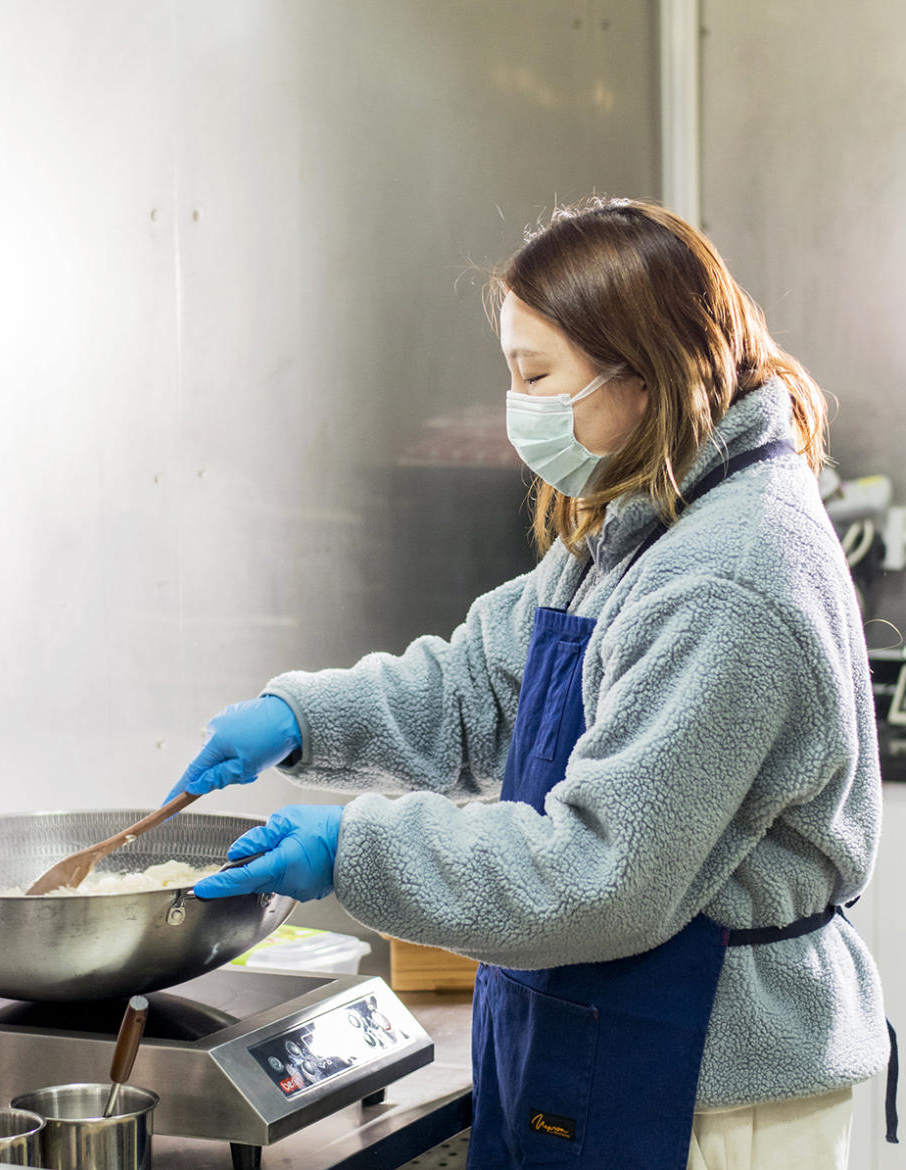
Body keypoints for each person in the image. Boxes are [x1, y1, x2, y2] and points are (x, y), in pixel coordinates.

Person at [167, 197, 893, 1170]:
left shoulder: (730, 573)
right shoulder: (640, 523)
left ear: (640, 372)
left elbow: (602, 873)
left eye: (536, 376)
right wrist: (300, 718)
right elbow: (480, 685)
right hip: (594, 1038)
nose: (519, 410)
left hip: (706, 1093)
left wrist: (354, 852)